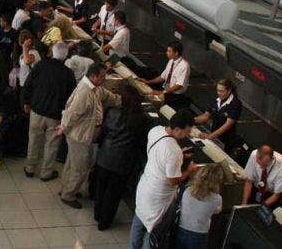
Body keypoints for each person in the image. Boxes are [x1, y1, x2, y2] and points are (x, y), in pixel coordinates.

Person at [130, 109, 199, 249]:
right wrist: (189, 170)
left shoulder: (156, 130)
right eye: (186, 131)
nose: (187, 135)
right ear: (178, 129)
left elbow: (158, 154)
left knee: (138, 222)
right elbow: (172, 180)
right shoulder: (174, 150)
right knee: (153, 234)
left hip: (145, 185)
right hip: (159, 197)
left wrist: (178, 158)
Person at [57, 63, 121, 208]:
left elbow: (107, 96)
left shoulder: (95, 88)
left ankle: (66, 189)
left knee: (72, 164)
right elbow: (71, 114)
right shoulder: (84, 92)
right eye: (102, 76)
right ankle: (68, 195)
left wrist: (121, 100)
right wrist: (63, 128)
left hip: (83, 134)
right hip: (79, 136)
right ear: (93, 76)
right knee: (80, 167)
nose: (104, 79)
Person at [93, 86, 150, 230]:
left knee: (101, 187)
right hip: (123, 161)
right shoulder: (140, 118)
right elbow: (141, 141)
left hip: (105, 155)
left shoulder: (111, 112)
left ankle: (97, 213)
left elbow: (103, 132)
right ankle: (105, 221)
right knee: (113, 193)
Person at [22, 41, 77, 181]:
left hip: (37, 110)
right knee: (51, 145)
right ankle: (46, 172)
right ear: (66, 57)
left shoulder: (41, 65)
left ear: (52, 52)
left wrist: (26, 102)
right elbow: (71, 98)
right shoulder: (69, 74)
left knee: (33, 140)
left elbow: (28, 84)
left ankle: (30, 168)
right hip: (55, 115)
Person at [176, 164, 226, 249]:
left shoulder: (188, 190)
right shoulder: (217, 198)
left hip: (181, 228)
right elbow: (218, 210)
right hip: (199, 234)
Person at [194, 79, 244, 154]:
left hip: (226, 140)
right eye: (218, 90)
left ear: (229, 91)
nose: (218, 93)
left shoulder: (235, 104)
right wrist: (190, 119)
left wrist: (210, 136)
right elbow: (206, 116)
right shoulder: (217, 100)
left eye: (221, 91)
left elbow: (227, 125)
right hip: (214, 134)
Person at [140, 41, 191, 110]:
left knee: (155, 105)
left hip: (175, 95)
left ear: (176, 53)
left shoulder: (184, 66)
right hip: (166, 90)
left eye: (169, 51)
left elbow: (179, 85)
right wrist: (148, 82)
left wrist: (162, 92)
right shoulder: (171, 61)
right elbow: (162, 77)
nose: (167, 53)